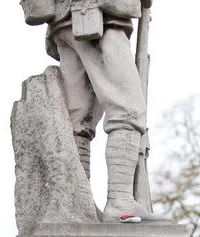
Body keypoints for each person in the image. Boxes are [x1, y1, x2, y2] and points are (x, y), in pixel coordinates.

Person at [22, 0, 159, 220]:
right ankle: (120, 201)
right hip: (100, 15)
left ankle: (78, 204)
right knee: (127, 111)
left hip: (65, 21)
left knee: (79, 121)